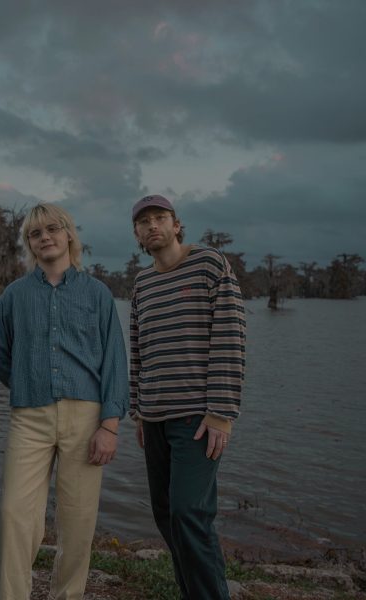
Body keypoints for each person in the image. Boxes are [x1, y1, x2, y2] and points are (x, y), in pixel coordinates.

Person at [0, 203, 129, 600]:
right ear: (29, 244)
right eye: (35, 233)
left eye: (52, 229)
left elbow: (115, 360)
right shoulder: (15, 294)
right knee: (14, 514)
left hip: (87, 419)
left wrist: (109, 424)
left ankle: (67, 595)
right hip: (28, 417)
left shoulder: (97, 293)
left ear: (69, 235)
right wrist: (26, 383)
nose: (44, 237)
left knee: (78, 521)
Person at [129, 195, 246, 600]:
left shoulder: (210, 264)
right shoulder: (142, 283)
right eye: (144, 222)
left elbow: (230, 339)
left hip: (197, 420)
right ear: (137, 235)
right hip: (155, 418)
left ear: (177, 225)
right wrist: (138, 413)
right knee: (167, 517)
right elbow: (138, 350)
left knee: (189, 514)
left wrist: (221, 413)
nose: (152, 225)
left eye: (160, 218)